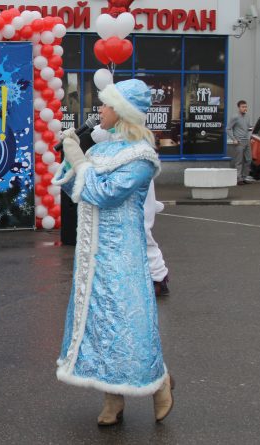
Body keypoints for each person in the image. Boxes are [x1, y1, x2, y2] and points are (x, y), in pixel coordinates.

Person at [53, 79, 174, 426]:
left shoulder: (142, 156)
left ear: (121, 112)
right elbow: (72, 185)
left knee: (129, 324)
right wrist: (71, 152)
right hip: (92, 255)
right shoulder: (100, 150)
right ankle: (112, 397)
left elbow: (105, 194)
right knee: (98, 322)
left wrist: (79, 160)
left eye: (105, 106)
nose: (99, 112)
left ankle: (159, 382)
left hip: (123, 254)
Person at [88, 125, 170, 296]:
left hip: (137, 189)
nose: (101, 110)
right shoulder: (115, 140)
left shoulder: (135, 143)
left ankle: (158, 277)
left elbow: (99, 134)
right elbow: (97, 134)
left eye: (106, 106)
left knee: (143, 231)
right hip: (128, 190)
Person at [227, 100, 254, 185]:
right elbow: (228, 129)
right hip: (239, 142)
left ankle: (244, 177)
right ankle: (238, 179)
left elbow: (248, 127)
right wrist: (233, 139)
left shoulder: (247, 117)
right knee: (239, 161)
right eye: (243, 107)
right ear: (239, 108)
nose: (245, 108)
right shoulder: (235, 117)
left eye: (245, 106)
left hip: (247, 141)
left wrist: (251, 129)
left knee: (249, 160)